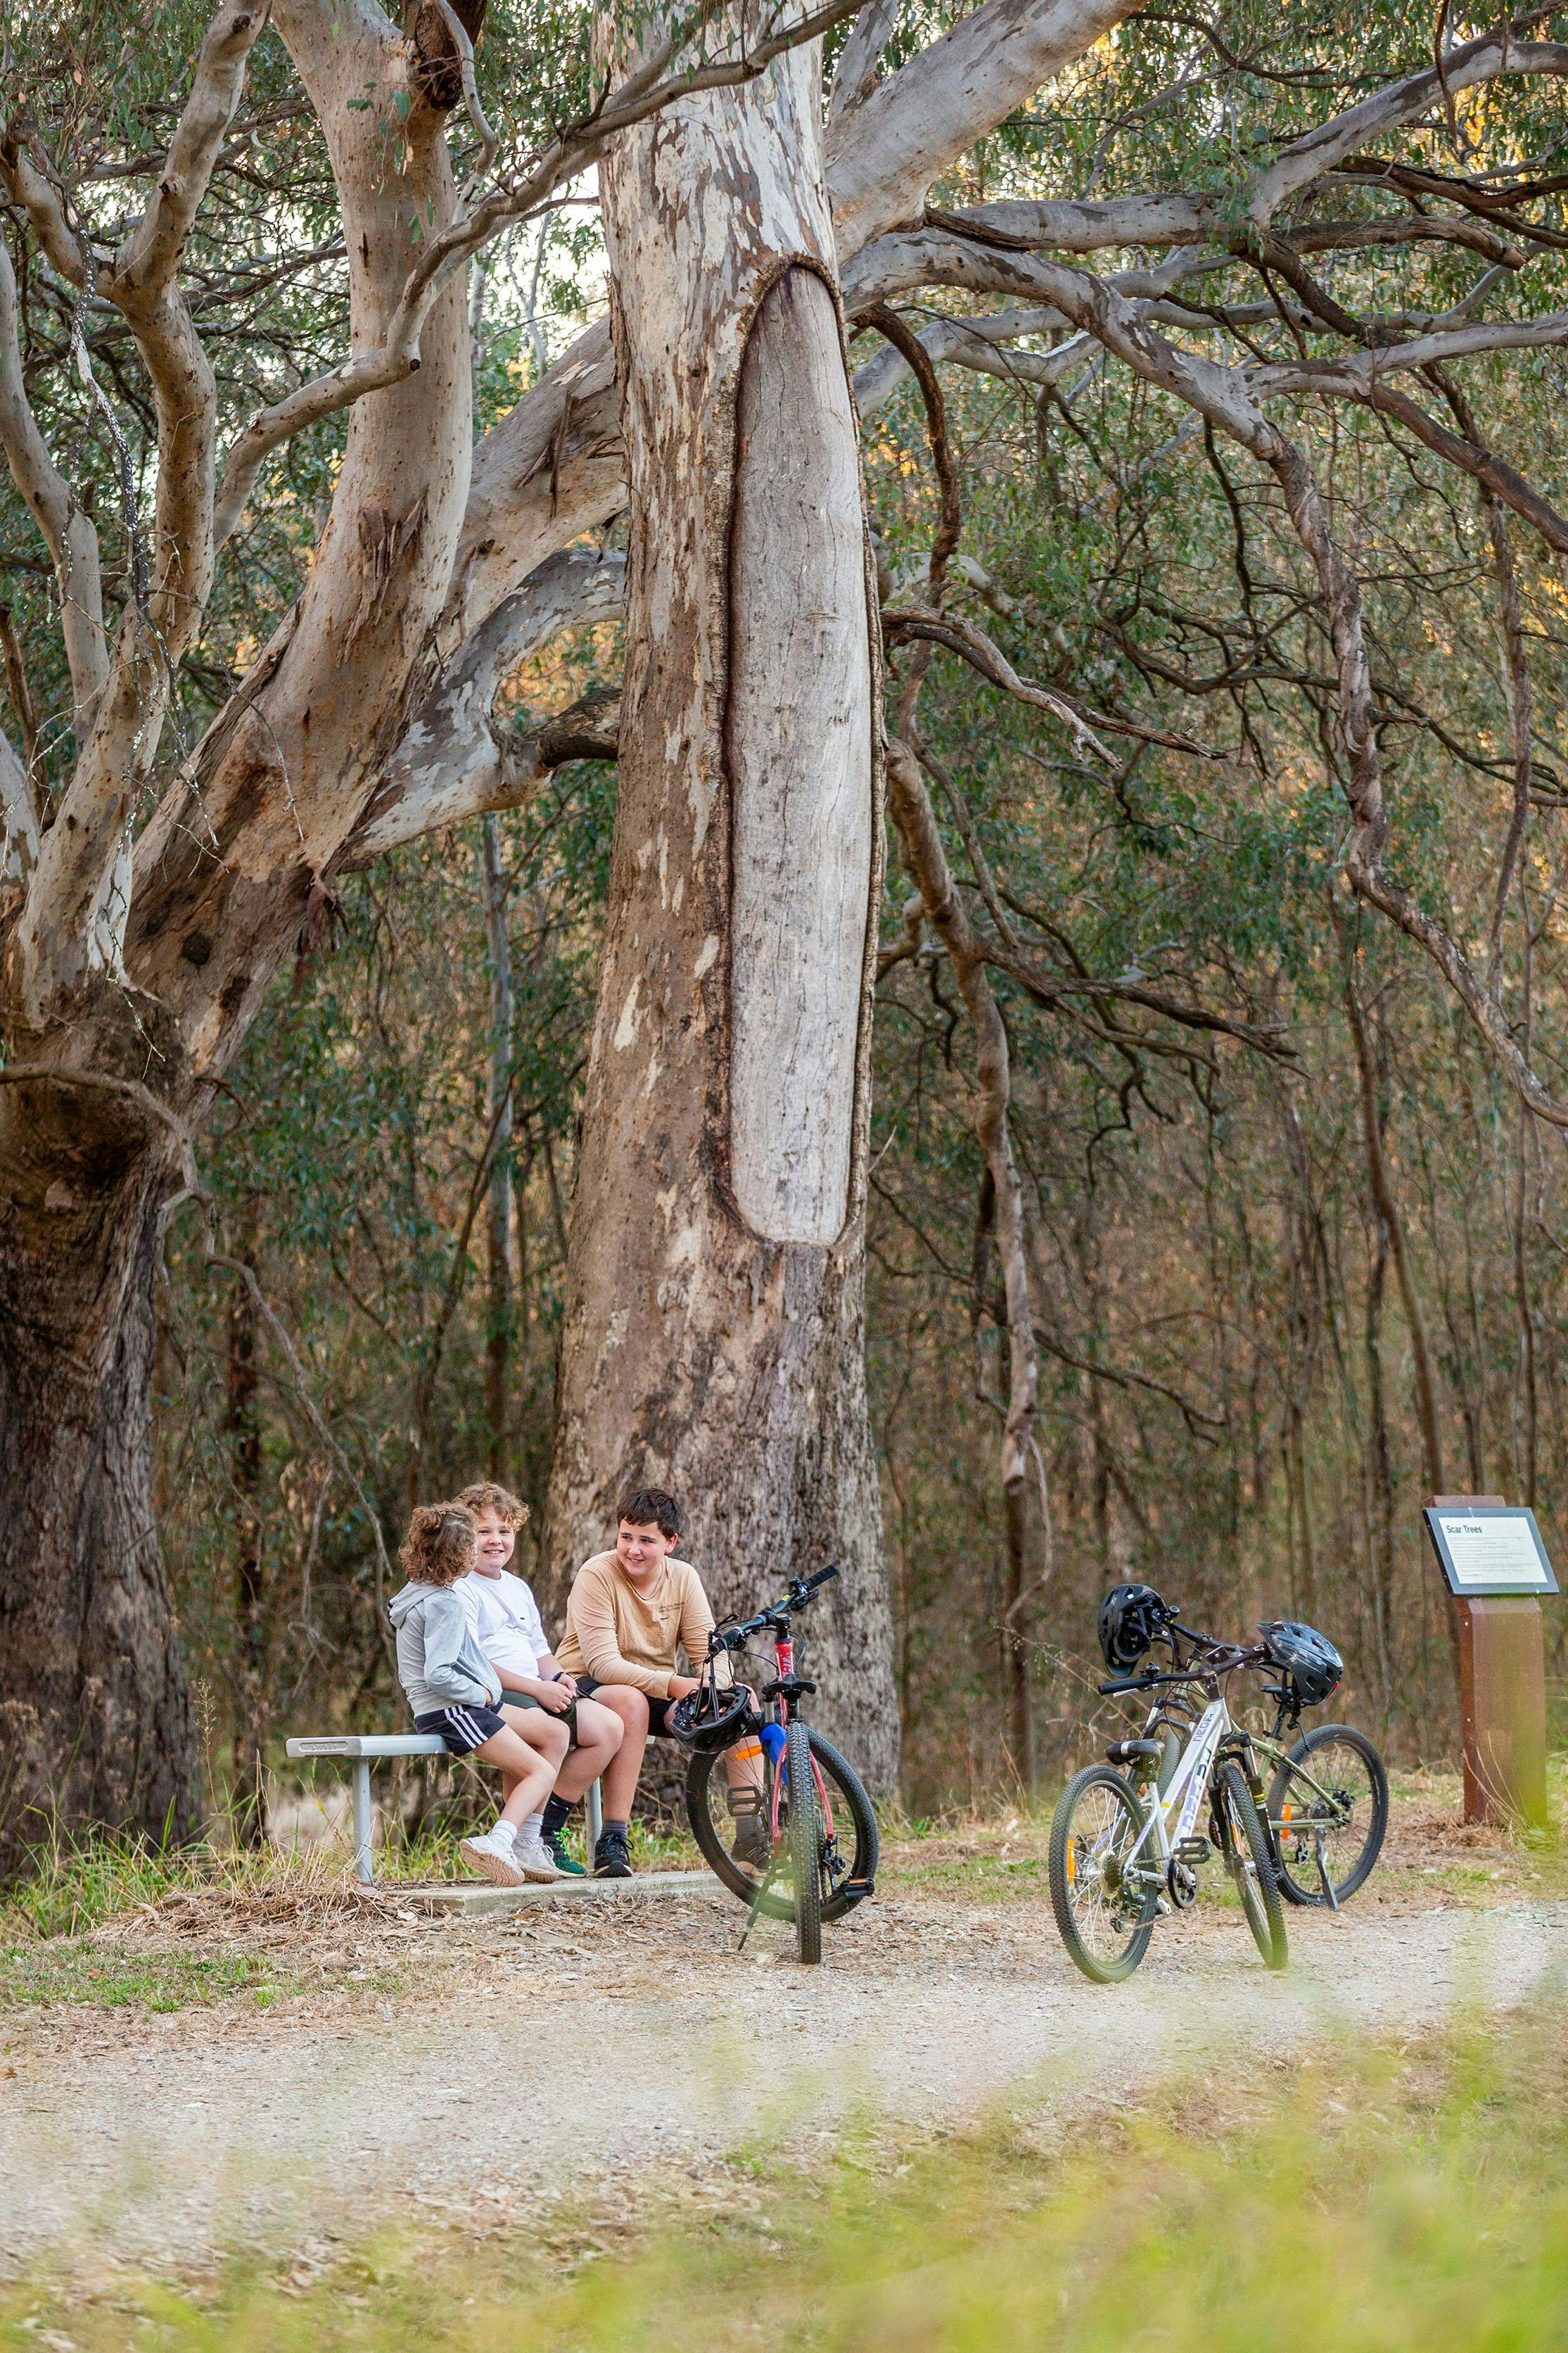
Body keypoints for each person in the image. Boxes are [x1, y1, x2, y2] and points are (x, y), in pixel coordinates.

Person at [554, 1485, 763, 1878]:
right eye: (626, 1537)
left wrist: (714, 1688)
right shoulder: (596, 1574)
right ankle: (613, 1841)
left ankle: (750, 1835)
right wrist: (676, 1685)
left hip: (655, 1688)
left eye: (646, 1541)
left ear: (671, 1543)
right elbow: (603, 1665)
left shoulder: (683, 1577)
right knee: (630, 1702)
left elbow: (710, 1653)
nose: (633, 1550)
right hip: (587, 1685)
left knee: (743, 1701)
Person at [453, 1480, 626, 1877]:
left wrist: (559, 1677)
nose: (495, 1541)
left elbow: (539, 1652)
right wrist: (537, 1689)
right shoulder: (462, 1589)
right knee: (545, 1729)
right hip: (499, 1692)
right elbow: (473, 1662)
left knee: (610, 1728)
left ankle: (539, 1831)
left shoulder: (517, 1588)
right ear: (464, 1536)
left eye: (504, 1531)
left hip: (538, 1688)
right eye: (483, 1531)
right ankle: (522, 1836)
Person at [388, 1501, 561, 1886]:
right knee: (541, 1771)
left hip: (452, 1707)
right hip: (453, 1710)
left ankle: (521, 1843)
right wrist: (481, 1694)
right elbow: (438, 1674)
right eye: (472, 1543)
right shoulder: (444, 1603)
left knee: (548, 1742)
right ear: (460, 1554)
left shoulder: (418, 1591)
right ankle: (499, 1841)